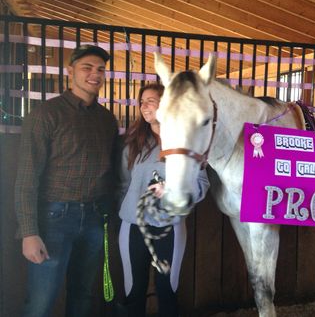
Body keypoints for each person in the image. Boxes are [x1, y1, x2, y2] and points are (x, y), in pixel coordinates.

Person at [14, 44, 119, 317]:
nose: (95, 74)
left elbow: (112, 172)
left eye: (100, 70)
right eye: (87, 68)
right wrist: (29, 232)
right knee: (41, 300)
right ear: (70, 71)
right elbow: (27, 178)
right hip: (53, 219)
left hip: (95, 218)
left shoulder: (107, 120)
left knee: (83, 297)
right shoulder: (45, 115)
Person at [117, 83, 209, 317]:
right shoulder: (133, 143)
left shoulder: (187, 143)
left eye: (151, 100)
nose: (144, 105)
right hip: (133, 227)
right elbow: (124, 184)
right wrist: (129, 208)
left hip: (170, 226)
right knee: (133, 290)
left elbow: (201, 184)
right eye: (142, 101)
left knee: (167, 289)